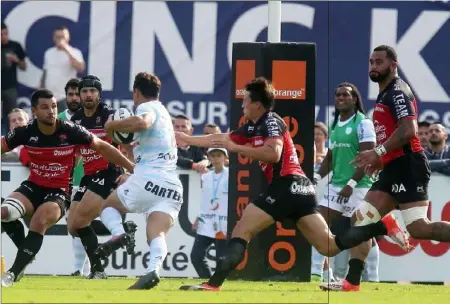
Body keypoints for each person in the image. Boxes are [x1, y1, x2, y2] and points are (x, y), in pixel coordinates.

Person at [175, 77, 406, 291]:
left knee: (241, 230)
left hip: (287, 185)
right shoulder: (253, 125)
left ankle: (213, 284)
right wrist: (186, 140)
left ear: (257, 103)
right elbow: (223, 139)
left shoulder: (271, 121)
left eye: (245, 99)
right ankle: (382, 226)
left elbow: (273, 154)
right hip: (302, 189)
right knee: (329, 247)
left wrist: (237, 149)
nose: (242, 104)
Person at [0, 89, 134, 287]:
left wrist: (131, 167)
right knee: (4, 213)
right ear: (34, 111)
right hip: (33, 186)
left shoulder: (71, 130)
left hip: (59, 192)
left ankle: (12, 273)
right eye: (45, 108)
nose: (51, 111)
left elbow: (103, 147)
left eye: (53, 106)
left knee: (40, 221)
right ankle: (26, 251)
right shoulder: (24, 132)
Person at [347, 45, 450, 287]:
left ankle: (385, 225)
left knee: (419, 229)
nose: (374, 66)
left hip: (408, 166)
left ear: (393, 65)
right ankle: (351, 283)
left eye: (379, 62)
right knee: (360, 220)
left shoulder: (397, 92)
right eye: (371, 62)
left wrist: (378, 152)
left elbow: (409, 131)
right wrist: (381, 159)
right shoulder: (385, 93)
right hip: (393, 166)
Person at [93, 72, 184, 290]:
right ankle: (153, 270)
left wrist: (111, 126)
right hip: (172, 185)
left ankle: (119, 233)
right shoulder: (164, 114)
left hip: (150, 179)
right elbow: (134, 148)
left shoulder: (147, 108)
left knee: (108, 206)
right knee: (156, 233)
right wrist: (119, 137)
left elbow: (142, 123)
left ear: (136, 92)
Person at [66, 75, 137, 280]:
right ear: (79, 95)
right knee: (73, 226)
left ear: (99, 93)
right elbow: (78, 151)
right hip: (88, 175)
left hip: (108, 173)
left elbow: (129, 144)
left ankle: (98, 268)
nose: (88, 95)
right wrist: (70, 173)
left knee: (80, 221)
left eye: (92, 91)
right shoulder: (76, 120)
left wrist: (129, 171)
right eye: (84, 91)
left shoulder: (111, 116)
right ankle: (119, 237)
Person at [314, 82, 379, 291]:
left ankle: (371, 278)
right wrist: (316, 177)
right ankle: (319, 273)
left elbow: (368, 158)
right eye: (338, 95)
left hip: (360, 186)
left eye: (345, 95)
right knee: (318, 224)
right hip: (336, 186)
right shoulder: (335, 124)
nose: (341, 98)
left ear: (355, 99)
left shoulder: (363, 123)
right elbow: (330, 158)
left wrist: (351, 183)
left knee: (361, 231)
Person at [191, 148, 229, 279]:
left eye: (219, 155)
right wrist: (198, 217)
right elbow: (206, 200)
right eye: (213, 156)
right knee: (196, 256)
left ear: (225, 158)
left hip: (224, 223)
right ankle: (207, 281)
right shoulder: (206, 177)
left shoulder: (231, 176)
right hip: (206, 222)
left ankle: (217, 284)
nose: (216, 158)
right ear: (209, 158)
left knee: (221, 259)